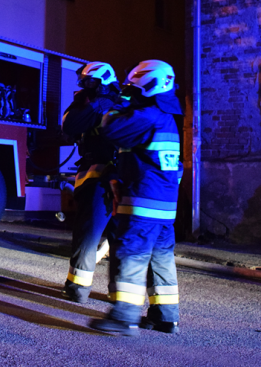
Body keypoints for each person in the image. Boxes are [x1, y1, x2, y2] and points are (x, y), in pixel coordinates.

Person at [90, 60, 183, 337]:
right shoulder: (167, 117)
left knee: (130, 254)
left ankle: (124, 318)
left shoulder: (147, 114)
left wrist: (117, 102)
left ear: (149, 84)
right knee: (160, 260)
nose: (131, 89)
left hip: (144, 202)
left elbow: (110, 129)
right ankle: (166, 317)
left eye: (135, 85)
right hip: (165, 207)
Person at [61, 62, 120, 303]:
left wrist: (91, 105)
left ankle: (77, 288)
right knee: (120, 237)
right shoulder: (124, 103)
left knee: (89, 233)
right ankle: (120, 294)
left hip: (98, 175)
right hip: (123, 178)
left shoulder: (99, 104)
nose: (85, 86)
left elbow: (69, 126)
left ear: (103, 82)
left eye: (89, 82)